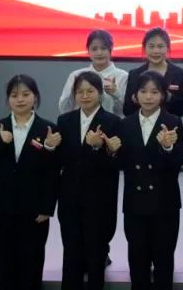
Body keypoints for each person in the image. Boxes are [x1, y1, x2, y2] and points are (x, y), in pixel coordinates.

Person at [0, 74, 61, 290]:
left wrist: (47, 206)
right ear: (8, 100)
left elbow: (53, 172)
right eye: (14, 95)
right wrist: (0, 142)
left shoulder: (48, 130)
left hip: (34, 208)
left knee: (32, 262)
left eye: (25, 94)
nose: (20, 99)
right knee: (4, 263)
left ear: (35, 97)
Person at [107, 70, 183, 290]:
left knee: (164, 260)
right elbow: (120, 164)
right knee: (137, 260)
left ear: (163, 95)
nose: (149, 96)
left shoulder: (173, 122)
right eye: (143, 91)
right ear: (135, 95)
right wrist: (112, 151)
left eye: (154, 92)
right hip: (135, 203)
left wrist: (168, 147)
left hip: (165, 202)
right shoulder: (125, 124)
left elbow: (180, 160)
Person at [56, 71, 121, 290]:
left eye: (90, 91)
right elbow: (62, 160)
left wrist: (98, 148)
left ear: (100, 93)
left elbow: (115, 163)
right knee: (71, 252)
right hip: (70, 197)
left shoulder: (112, 122)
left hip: (99, 199)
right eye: (80, 92)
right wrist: (50, 146)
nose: (85, 96)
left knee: (96, 255)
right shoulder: (65, 121)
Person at [123, 28, 183, 117]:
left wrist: (169, 97)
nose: (155, 51)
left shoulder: (179, 74)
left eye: (160, 46)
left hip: (170, 124)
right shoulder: (135, 74)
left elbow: (181, 111)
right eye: (151, 46)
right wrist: (135, 101)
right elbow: (127, 111)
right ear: (144, 48)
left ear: (167, 48)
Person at [58, 29, 129, 116]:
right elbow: (64, 109)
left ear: (110, 49)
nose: (99, 53)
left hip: (112, 123)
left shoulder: (123, 76)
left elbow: (125, 112)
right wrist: (73, 91)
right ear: (88, 51)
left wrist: (115, 93)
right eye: (94, 49)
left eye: (103, 48)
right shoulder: (76, 75)